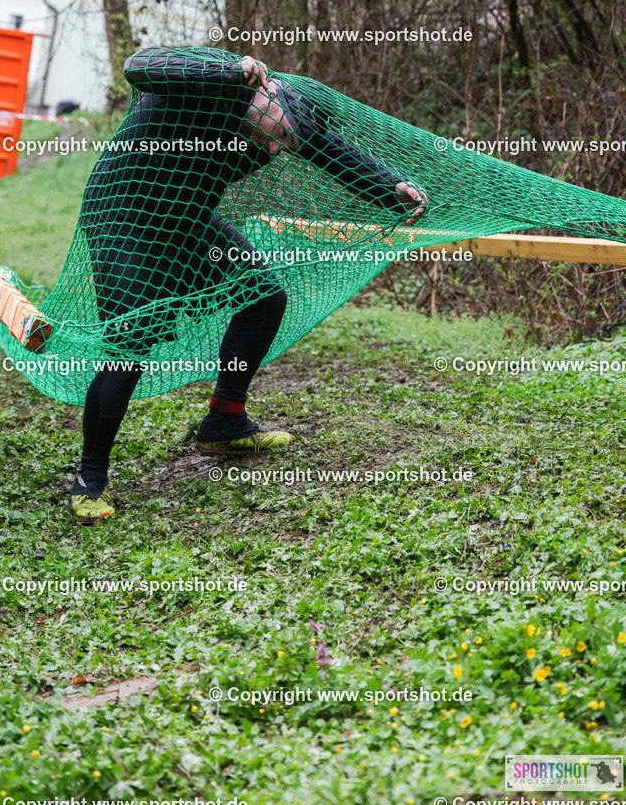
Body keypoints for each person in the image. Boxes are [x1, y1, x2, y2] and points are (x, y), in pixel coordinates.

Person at [70, 48, 428, 524]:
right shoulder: (218, 81)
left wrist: (391, 188)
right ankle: (89, 475)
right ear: (263, 93)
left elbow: (333, 153)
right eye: (279, 136)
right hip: (124, 216)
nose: (278, 149)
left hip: (185, 220)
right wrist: (227, 70)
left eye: (289, 144)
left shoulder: (288, 112)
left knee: (262, 295)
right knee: (132, 341)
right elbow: (140, 65)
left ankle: (224, 420)